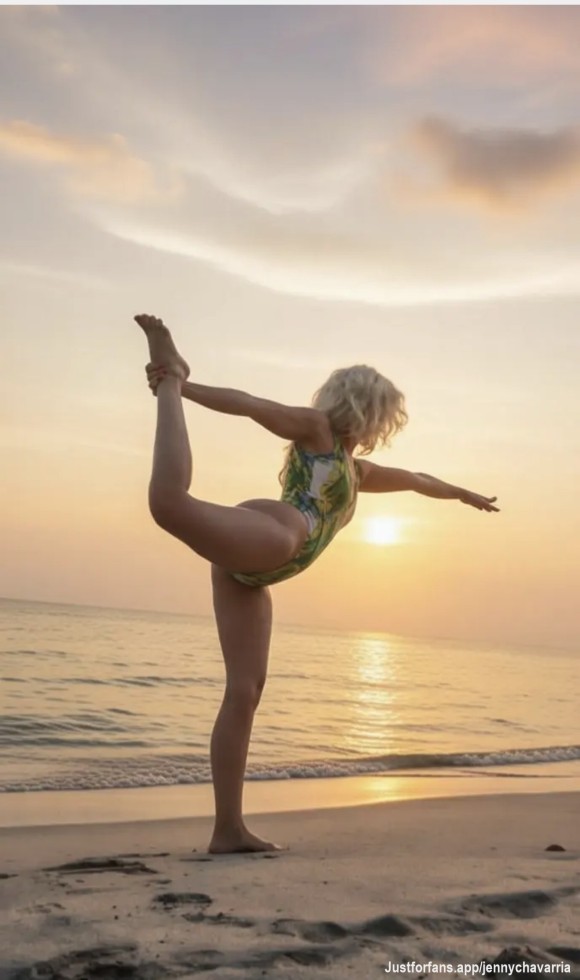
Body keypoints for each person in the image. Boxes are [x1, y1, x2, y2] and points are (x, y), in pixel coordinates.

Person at [135, 313, 500, 853]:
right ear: (369, 408)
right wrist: (184, 386)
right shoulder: (318, 431)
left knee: (245, 692)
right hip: (277, 537)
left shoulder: (360, 473)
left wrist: (464, 493)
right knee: (168, 505)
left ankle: (228, 831)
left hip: (258, 575)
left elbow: (421, 481)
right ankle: (167, 380)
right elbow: (254, 406)